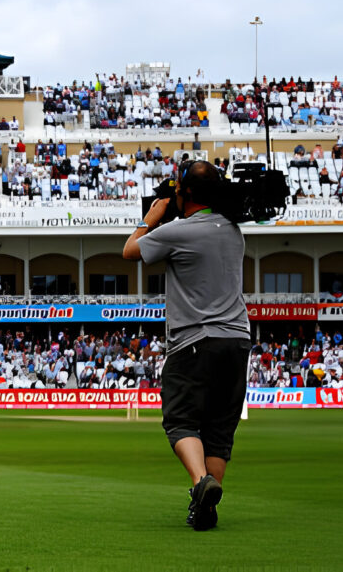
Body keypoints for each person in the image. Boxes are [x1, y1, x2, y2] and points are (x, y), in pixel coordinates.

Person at [122, 160, 250, 531]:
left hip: (195, 340)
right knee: (219, 430)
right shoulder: (231, 230)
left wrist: (152, 216)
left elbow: (130, 251)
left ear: (186, 192)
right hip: (238, 340)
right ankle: (207, 507)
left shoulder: (177, 231)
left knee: (181, 422)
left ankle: (200, 483)